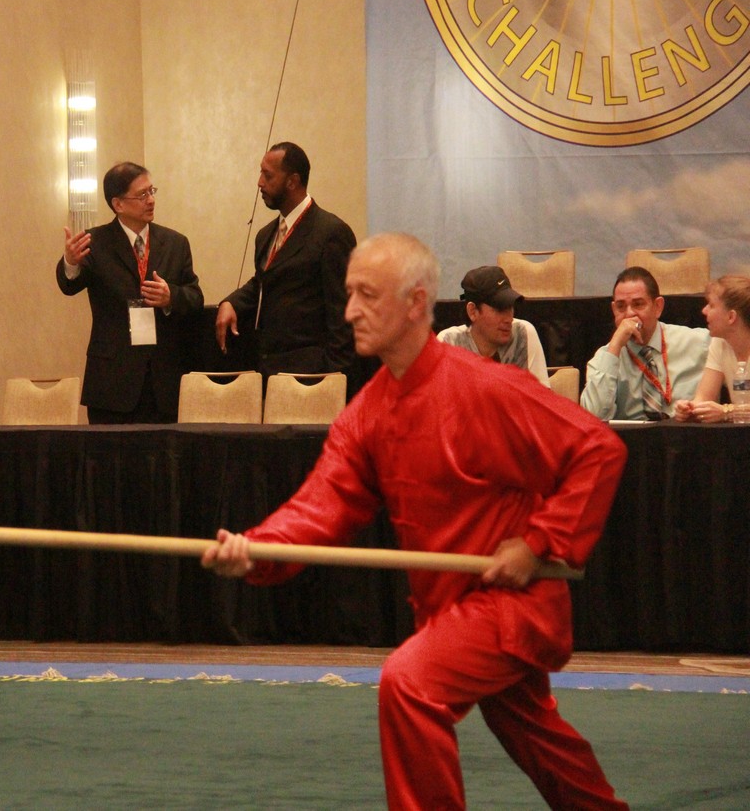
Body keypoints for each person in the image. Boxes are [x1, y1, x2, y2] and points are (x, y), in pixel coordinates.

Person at [203, 232, 629, 810]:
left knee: (409, 683)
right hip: (448, 610)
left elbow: (598, 450)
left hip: (511, 605)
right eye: (350, 294)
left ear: (415, 302)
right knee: (535, 735)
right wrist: (255, 548)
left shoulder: (488, 387)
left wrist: (537, 542)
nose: (350, 312)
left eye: (368, 295)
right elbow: (321, 506)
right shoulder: (365, 416)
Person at [57, 162, 203, 423]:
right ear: (118, 204)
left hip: (163, 381)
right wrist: (70, 262)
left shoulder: (175, 243)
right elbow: (69, 286)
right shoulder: (94, 243)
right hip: (112, 382)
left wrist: (171, 297)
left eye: (152, 191)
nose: (151, 200)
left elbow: (195, 297)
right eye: (142, 195)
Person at [214, 142, 361, 388]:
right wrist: (232, 302)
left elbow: (343, 315)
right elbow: (264, 282)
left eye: (268, 175)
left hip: (312, 378)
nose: (259, 183)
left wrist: (333, 380)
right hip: (270, 372)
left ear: (292, 181)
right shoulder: (265, 235)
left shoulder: (331, 233)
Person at [580, 266, 709, 421]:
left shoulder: (697, 342)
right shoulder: (604, 358)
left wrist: (726, 410)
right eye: (621, 306)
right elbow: (593, 418)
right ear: (614, 310)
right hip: (632, 435)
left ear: (658, 307)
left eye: (638, 304)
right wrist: (615, 346)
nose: (629, 314)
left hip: (685, 433)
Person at [436, 264, 550, 385]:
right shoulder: (449, 342)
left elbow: (541, 395)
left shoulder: (524, 333)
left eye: (510, 307)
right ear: (473, 311)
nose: (509, 319)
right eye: (499, 309)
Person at [674, 275, 750, 423]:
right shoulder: (719, 343)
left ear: (731, 317)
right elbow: (703, 397)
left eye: (711, 305)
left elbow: (724, 412)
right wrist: (690, 408)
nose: (704, 311)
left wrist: (727, 412)